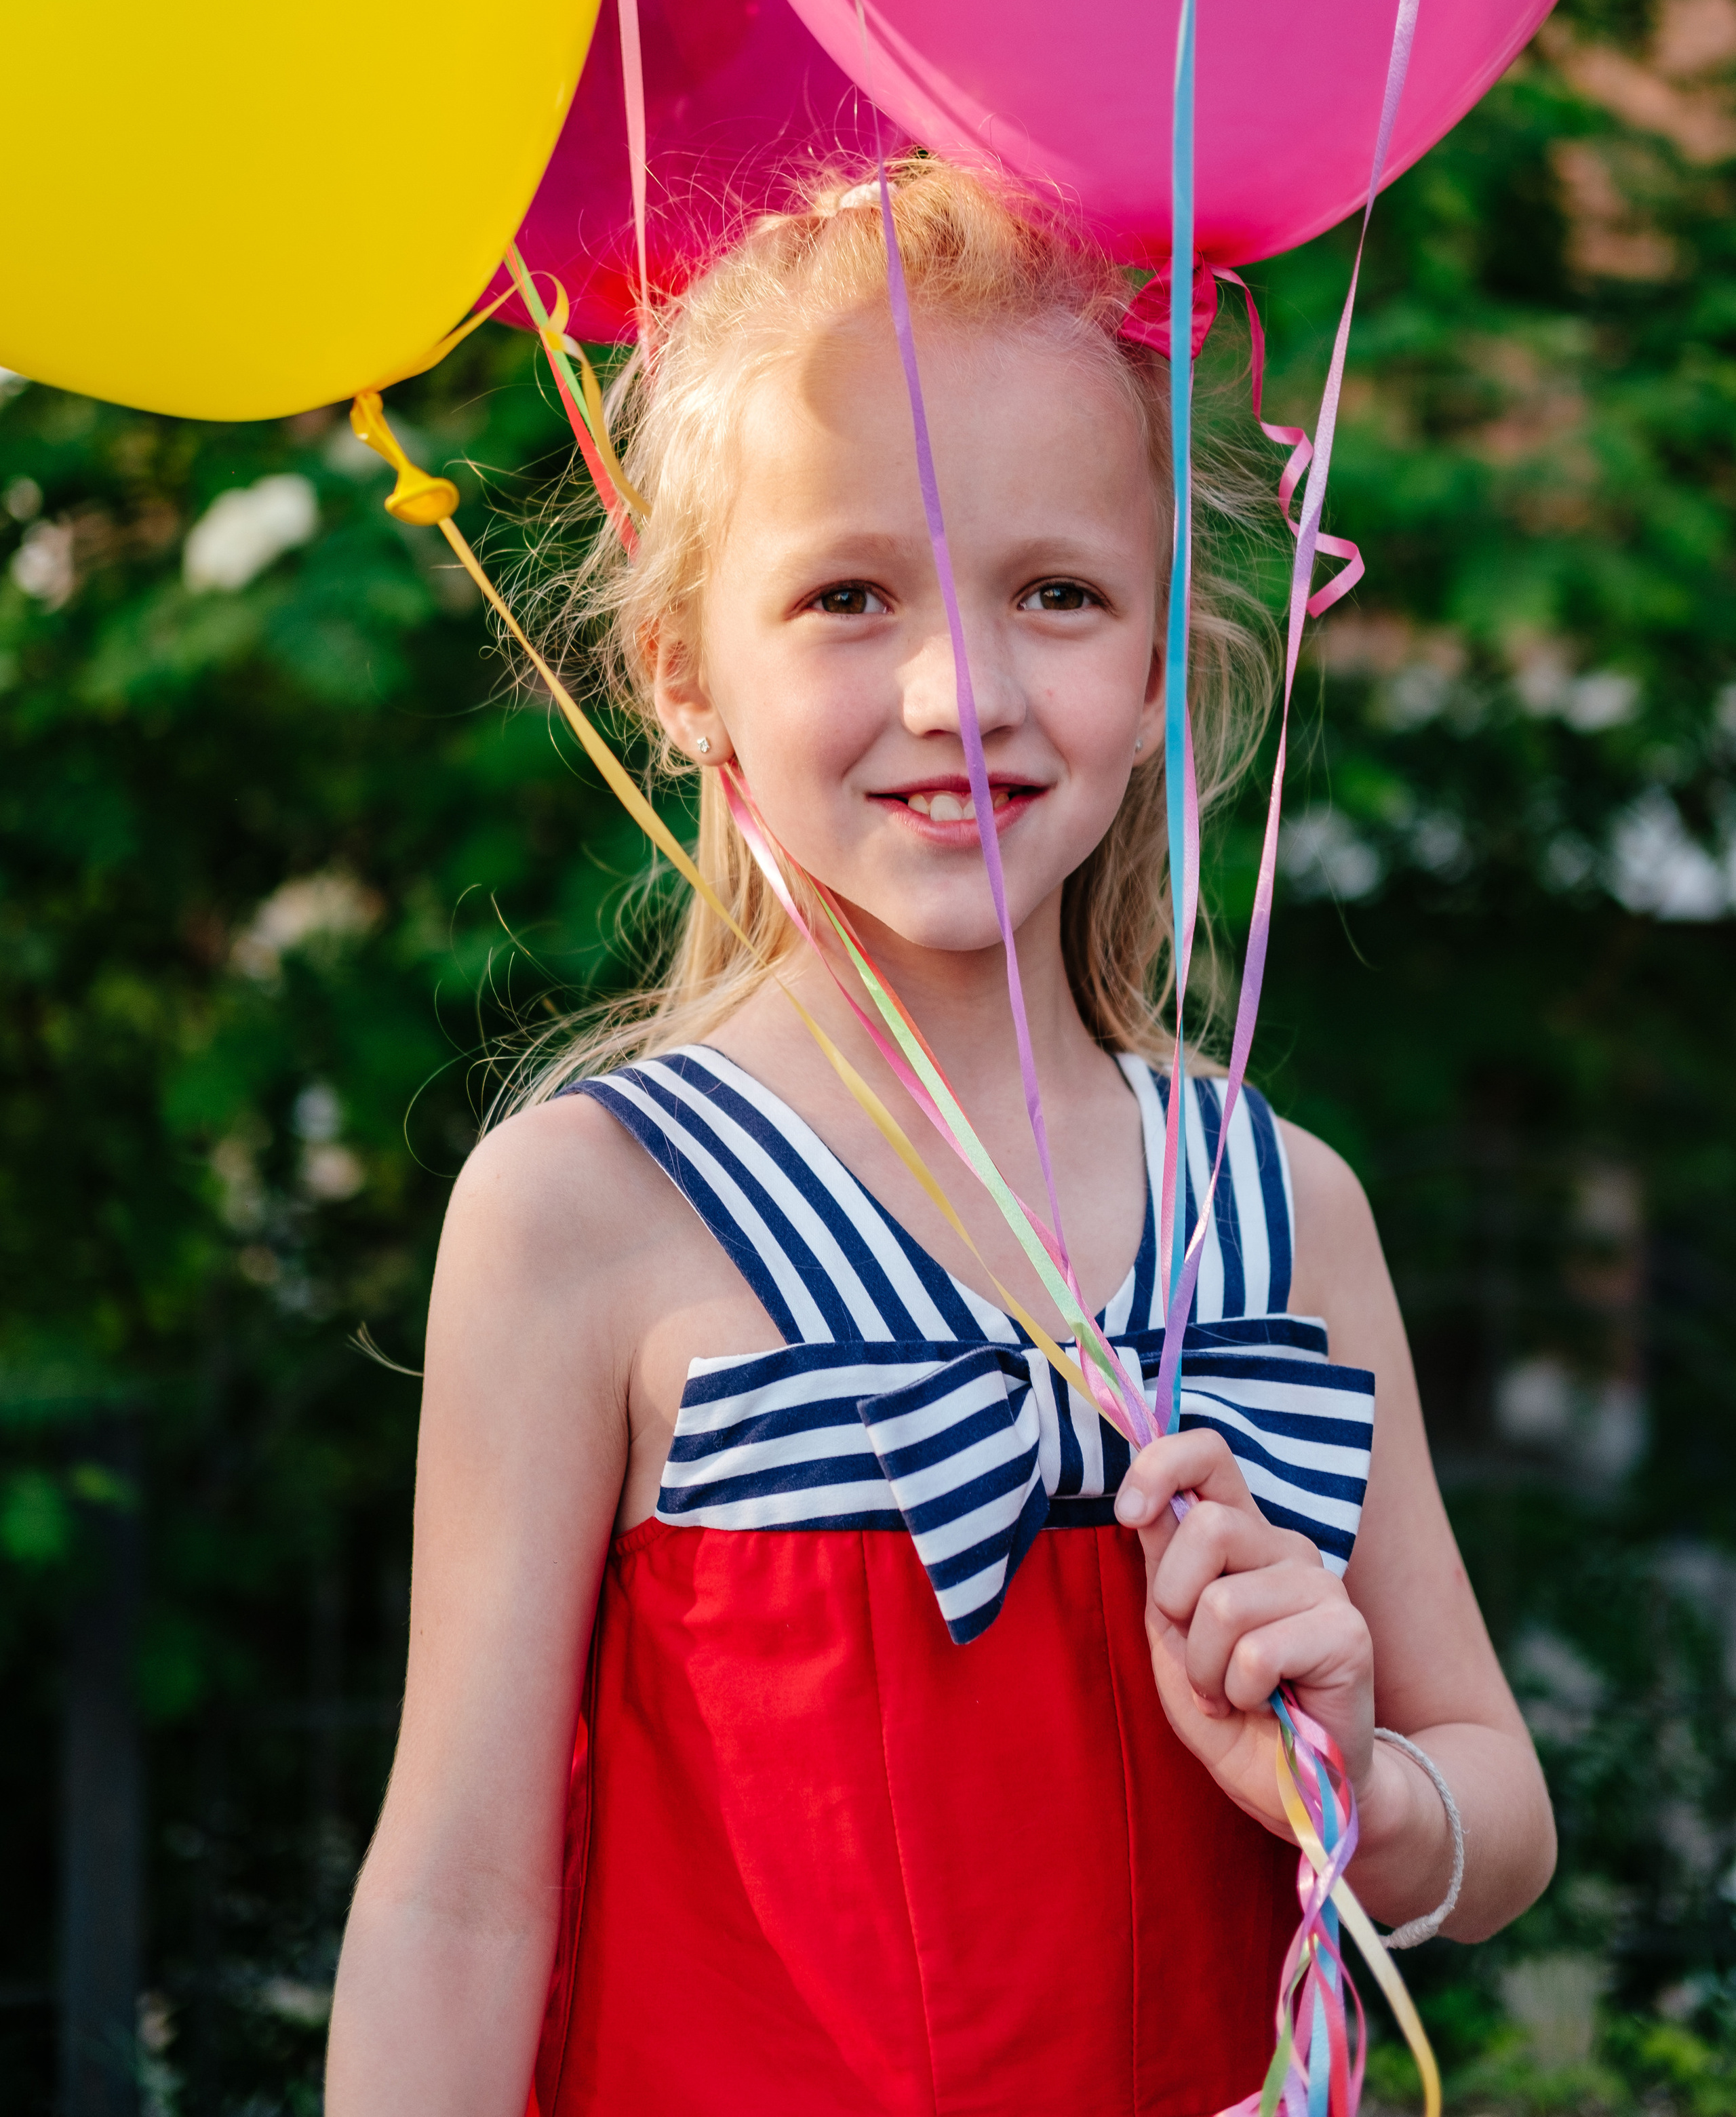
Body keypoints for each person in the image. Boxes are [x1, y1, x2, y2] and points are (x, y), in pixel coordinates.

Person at [326, 162, 1555, 2116]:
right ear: (681, 670)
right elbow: (457, 1903)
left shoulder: (1277, 1209)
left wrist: (1361, 1792)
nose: (958, 692)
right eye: (847, 596)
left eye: (1058, 594)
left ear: (1157, 669)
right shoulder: (590, 1210)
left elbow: (1497, 1814)